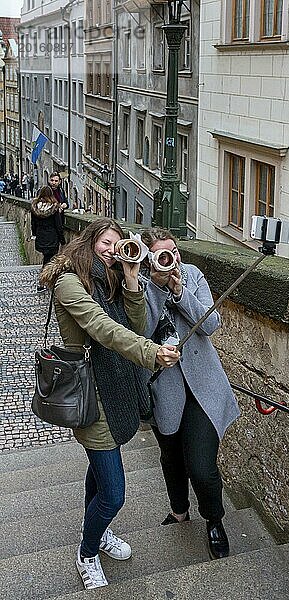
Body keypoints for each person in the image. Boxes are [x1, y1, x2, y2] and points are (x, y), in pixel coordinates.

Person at [40, 218, 180, 591]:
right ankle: (87, 552)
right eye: (105, 242)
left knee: (99, 473)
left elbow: (134, 324)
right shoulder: (70, 282)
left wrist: (132, 277)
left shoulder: (113, 277)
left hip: (115, 386)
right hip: (91, 393)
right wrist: (150, 353)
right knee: (114, 493)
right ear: (89, 242)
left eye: (116, 244)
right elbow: (103, 328)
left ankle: (96, 533)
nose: (110, 250)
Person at [140, 227, 240, 561]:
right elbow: (140, 330)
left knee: (201, 467)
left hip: (203, 388)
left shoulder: (193, 276)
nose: (172, 259)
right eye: (163, 253)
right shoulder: (139, 283)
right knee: (170, 457)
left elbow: (211, 325)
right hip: (164, 390)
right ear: (150, 256)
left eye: (175, 251)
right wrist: (156, 285)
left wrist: (180, 291)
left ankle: (214, 520)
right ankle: (180, 510)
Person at [31, 185, 65, 292]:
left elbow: (33, 224)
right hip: (52, 237)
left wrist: (35, 234)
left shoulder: (35, 208)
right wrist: (62, 240)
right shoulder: (54, 208)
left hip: (41, 237)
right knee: (49, 261)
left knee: (47, 259)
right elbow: (58, 226)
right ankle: (44, 282)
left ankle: (45, 282)